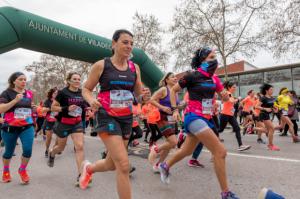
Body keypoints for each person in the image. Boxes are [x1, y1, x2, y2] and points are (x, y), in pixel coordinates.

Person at [158, 47, 239, 199]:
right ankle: (226, 193)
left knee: (187, 151)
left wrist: (224, 96)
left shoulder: (214, 79)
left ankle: (165, 165)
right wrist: (175, 109)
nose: (215, 60)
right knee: (220, 152)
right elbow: (174, 91)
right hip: (193, 116)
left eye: (215, 57)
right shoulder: (191, 76)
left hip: (206, 118)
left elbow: (225, 98)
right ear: (202, 60)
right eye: (211, 57)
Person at [80, 29, 151, 199]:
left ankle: (88, 168)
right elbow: (86, 89)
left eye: (132, 43)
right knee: (124, 165)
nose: (129, 46)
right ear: (114, 44)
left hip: (126, 117)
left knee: (112, 164)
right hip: (106, 115)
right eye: (125, 42)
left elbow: (138, 95)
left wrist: (144, 97)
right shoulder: (102, 65)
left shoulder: (135, 68)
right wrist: (91, 101)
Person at [47, 72, 87, 185]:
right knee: (60, 148)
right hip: (64, 123)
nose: (77, 81)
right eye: (74, 79)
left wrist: (87, 107)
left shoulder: (81, 92)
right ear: (69, 80)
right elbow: (53, 107)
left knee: (79, 146)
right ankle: (52, 153)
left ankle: (81, 175)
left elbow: (82, 105)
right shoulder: (63, 92)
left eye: (79, 79)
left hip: (77, 123)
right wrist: (66, 108)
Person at [0, 72, 35, 184]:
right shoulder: (6, 93)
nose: (24, 81)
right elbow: (1, 109)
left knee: (28, 150)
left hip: (27, 126)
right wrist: (15, 100)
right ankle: (6, 170)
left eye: (25, 79)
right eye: (21, 79)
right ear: (14, 81)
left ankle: (22, 169)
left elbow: (28, 108)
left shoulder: (29, 93)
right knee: (9, 152)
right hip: (10, 127)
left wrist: (35, 108)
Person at [148, 72, 179, 172]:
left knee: (169, 145)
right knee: (174, 142)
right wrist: (162, 107)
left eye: (175, 77)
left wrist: (180, 107)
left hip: (172, 118)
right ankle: (155, 149)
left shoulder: (176, 91)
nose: (175, 78)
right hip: (163, 117)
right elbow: (151, 100)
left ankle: (158, 165)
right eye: (172, 77)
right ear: (166, 80)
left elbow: (175, 106)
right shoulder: (163, 89)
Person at [218, 81, 251, 151]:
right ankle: (206, 137)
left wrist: (236, 100)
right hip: (225, 114)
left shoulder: (231, 94)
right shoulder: (227, 93)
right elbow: (230, 101)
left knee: (237, 128)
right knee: (220, 130)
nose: (235, 88)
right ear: (229, 87)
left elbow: (230, 102)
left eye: (235, 87)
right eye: (233, 87)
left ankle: (240, 145)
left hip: (230, 115)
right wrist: (237, 99)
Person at [256, 83, 280, 150]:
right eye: (271, 90)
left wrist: (275, 109)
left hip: (268, 115)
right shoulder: (263, 98)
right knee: (272, 128)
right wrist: (265, 109)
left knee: (268, 130)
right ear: (266, 91)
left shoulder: (272, 98)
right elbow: (256, 106)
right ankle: (270, 145)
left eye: (273, 90)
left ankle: (253, 128)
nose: (272, 91)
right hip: (263, 114)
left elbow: (273, 106)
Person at [43, 87, 58, 158]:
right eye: (55, 93)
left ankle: (55, 149)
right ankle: (47, 149)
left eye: (57, 93)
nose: (56, 94)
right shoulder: (47, 101)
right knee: (49, 138)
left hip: (58, 121)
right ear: (51, 94)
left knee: (59, 137)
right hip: (49, 121)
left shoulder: (60, 100)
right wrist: (51, 108)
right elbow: (44, 110)